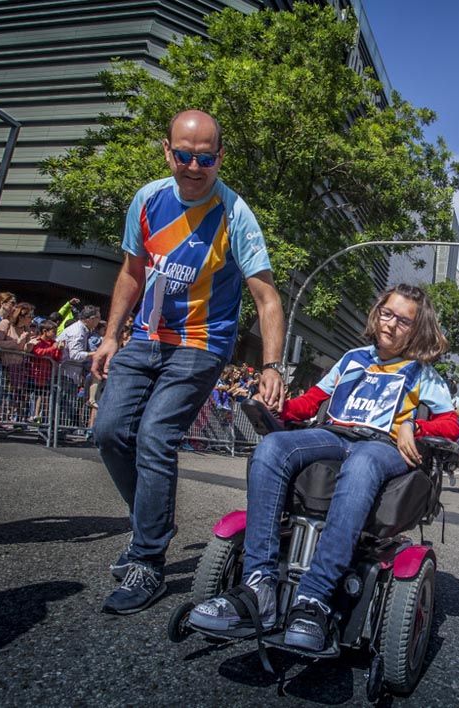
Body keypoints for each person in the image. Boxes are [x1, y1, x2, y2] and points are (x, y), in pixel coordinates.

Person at [188, 283, 459, 652]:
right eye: (387, 313)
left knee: (363, 461)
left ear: (418, 329)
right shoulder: (353, 359)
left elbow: (452, 425)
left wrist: (416, 426)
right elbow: (309, 403)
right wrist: (272, 405)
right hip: (334, 435)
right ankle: (258, 588)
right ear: (377, 312)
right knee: (273, 447)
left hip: (384, 445)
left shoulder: (422, 374)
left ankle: (313, 600)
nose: (392, 324)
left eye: (404, 321)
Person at [91, 109, 285, 615]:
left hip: (202, 343)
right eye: (183, 155)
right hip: (144, 337)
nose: (193, 167)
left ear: (219, 157)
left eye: (204, 158)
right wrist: (111, 336)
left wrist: (271, 366)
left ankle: (147, 561)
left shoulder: (235, 214)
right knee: (110, 432)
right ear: (167, 151)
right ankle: (152, 522)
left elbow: (266, 297)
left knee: (156, 435)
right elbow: (132, 272)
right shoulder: (148, 200)